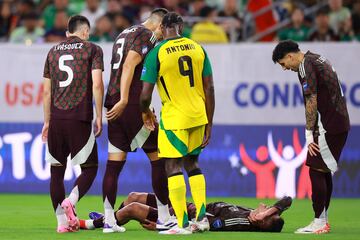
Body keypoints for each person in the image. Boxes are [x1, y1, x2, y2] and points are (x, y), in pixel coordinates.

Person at [140, 12, 215, 234]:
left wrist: (145, 111)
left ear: (162, 28)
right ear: (180, 27)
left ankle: (182, 224)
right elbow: (209, 88)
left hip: (175, 118)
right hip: (198, 115)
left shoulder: (157, 53)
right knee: (193, 164)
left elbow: (145, 95)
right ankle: (201, 219)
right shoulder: (198, 48)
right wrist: (209, 123)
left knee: (172, 166)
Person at [102, 8, 170, 234]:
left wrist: (118, 100)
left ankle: (109, 220)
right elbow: (130, 64)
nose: (161, 37)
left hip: (112, 103)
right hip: (128, 102)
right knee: (159, 157)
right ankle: (164, 216)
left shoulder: (124, 33)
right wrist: (125, 100)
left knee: (114, 165)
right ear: (159, 26)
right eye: (163, 32)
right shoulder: (148, 35)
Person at [272, 40, 350, 234]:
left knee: (315, 170)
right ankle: (322, 220)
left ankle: (319, 221)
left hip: (328, 125)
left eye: (283, 63)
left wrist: (309, 133)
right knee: (322, 170)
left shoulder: (305, 66)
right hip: (339, 121)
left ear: (290, 56)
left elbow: (311, 100)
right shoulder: (318, 59)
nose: (284, 68)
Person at [41, 15, 104, 233]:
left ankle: (61, 224)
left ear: (68, 32)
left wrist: (47, 121)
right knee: (90, 168)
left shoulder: (52, 51)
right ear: (85, 31)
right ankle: (72, 200)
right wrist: (98, 116)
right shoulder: (92, 49)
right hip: (80, 117)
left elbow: (47, 91)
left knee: (56, 173)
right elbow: (97, 84)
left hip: (57, 119)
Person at [81, 192, 291, 233]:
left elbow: (206, 226)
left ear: (262, 222)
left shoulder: (242, 222)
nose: (265, 206)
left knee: (133, 208)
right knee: (133, 196)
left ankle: (92, 224)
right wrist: (271, 210)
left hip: (179, 216)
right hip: (186, 204)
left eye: (268, 212)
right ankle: (110, 219)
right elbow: (287, 200)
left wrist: (164, 225)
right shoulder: (252, 213)